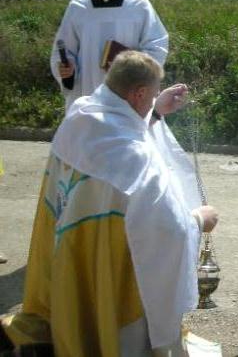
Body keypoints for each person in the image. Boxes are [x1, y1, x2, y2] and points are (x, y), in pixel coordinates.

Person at [0, 51, 218, 356]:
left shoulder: (82, 114)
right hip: (115, 264)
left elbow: (125, 128)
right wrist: (198, 220)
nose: (154, 98)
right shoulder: (132, 156)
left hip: (74, 250)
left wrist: (154, 112)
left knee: (80, 311)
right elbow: (167, 228)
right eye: (152, 94)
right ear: (139, 93)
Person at [51, 0, 169, 110]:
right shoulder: (77, 8)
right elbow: (64, 51)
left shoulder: (139, 6)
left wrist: (132, 67)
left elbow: (157, 46)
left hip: (128, 94)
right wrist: (67, 68)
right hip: (87, 95)